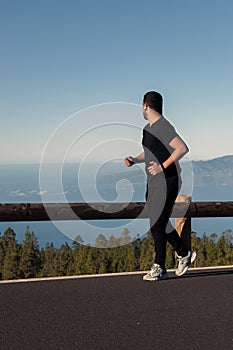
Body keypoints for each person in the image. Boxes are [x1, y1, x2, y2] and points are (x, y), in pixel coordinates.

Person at [125, 91, 196, 281]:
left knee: (157, 222)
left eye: (142, 106)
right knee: (158, 222)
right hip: (154, 181)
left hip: (169, 180)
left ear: (145, 105)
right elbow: (148, 153)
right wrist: (135, 159)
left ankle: (160, 265)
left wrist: (162, 166)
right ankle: (183, 253)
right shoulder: (147, 129)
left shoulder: (163, 126)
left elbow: (182, 148)